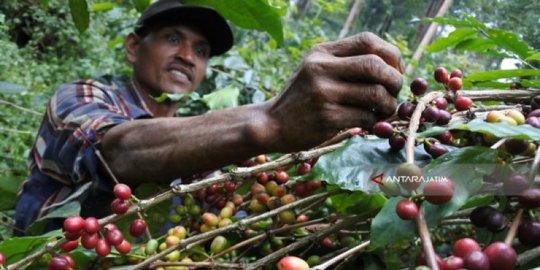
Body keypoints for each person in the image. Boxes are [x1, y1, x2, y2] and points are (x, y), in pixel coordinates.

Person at [14, 0, 403, 235]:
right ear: (134, 47)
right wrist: (270, 120)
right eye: (172, 38)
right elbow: (116, 152)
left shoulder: (208, 138)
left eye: (201, 50)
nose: (187, 55)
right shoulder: (82, 96)